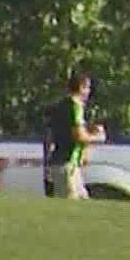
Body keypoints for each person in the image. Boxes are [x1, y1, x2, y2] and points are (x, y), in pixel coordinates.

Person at [45, 71, 105, 200]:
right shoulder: (75, 106)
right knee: (69, 207)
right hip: (66, 164)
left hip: (68, 164)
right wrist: (98, 137)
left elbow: (50, 133)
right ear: (81, 87)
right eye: (87, 88)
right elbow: (79, 136)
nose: (89, 91)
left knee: (83, 201)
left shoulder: (61, 105)